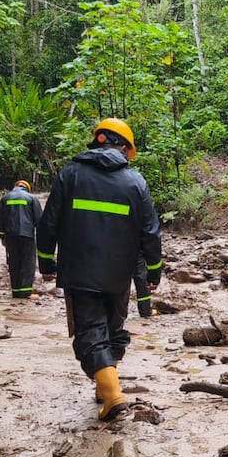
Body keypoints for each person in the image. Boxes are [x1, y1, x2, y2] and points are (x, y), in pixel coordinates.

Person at [36, 118, 163, 421]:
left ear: (98, 140)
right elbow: (150, 232)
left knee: (91, 332)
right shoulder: (135, 182)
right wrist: (154, 273)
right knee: (113, 328)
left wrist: (46, 263)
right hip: (120, 274)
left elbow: (49, 223)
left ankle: (113, 396)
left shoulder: (71, 174)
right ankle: (105, 387)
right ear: (123, 148)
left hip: (80, 272)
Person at [0, 180, 43, 300]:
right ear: (27, 188)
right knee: (27, 263)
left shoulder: (5, 198)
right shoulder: (31, 198)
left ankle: (15, 292)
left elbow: (0, 220)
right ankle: (25, 293)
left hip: (10, 236)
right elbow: (39, 220)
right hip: (27, 236)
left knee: (14, 262)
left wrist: (2, 237)